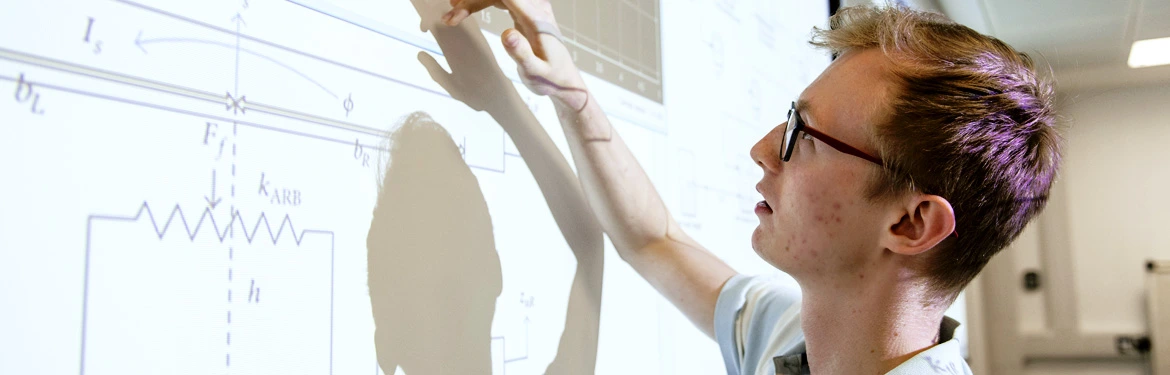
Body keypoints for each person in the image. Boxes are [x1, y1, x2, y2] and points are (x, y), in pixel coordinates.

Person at [441, 1, 1061, 374]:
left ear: (910, 224)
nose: (763, 150)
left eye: (804, 135)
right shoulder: (791, 338)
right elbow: (653, 238)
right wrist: (571, 93)